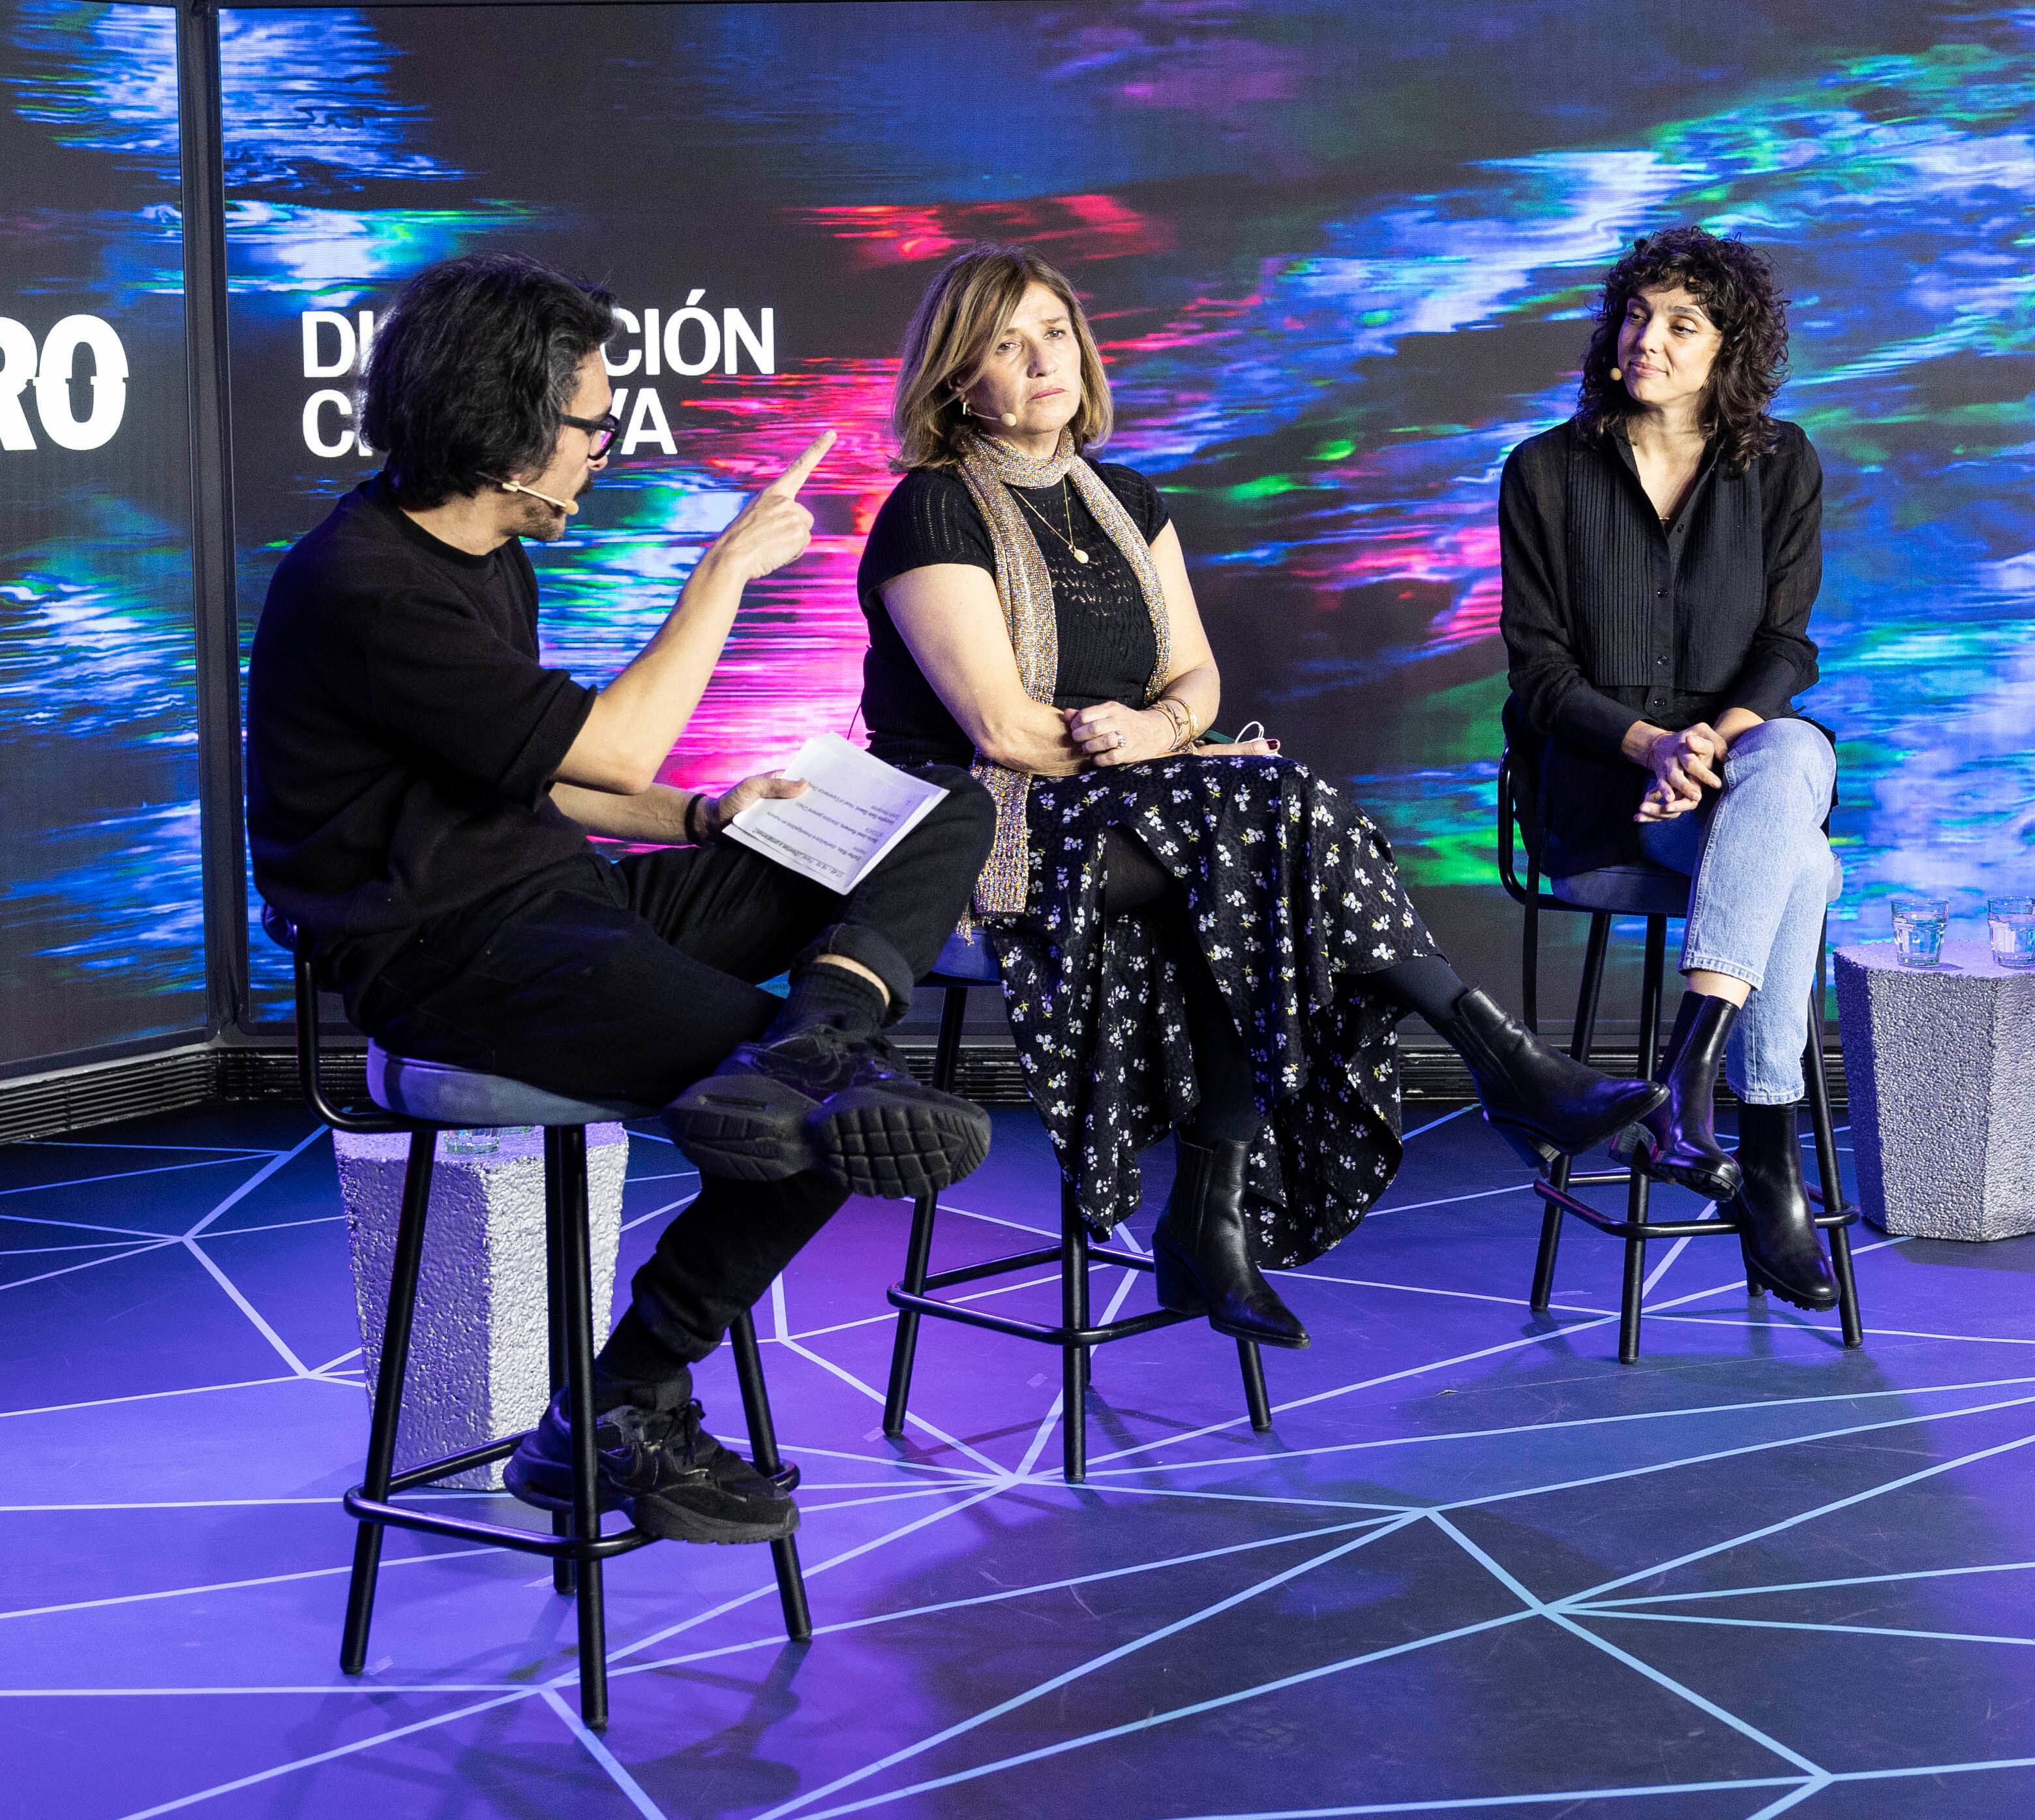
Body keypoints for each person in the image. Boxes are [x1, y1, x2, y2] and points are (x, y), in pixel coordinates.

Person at [246, 252, 998, 1545]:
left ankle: (821, 1029)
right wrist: (719, 577)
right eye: (592, 424)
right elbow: (612, 752)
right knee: (818, 1127)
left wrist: (706, 821)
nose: (607, 445)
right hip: (449, 959)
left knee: (937, 809)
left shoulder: (486, 549)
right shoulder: (365, 586)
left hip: (563, 899)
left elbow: (554, 777)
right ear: (504, 426)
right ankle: (619, 1396)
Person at [853, 243, 1661, 1349]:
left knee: (1252, 851)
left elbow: (1194, 677)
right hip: (985, 829)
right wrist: (1160, 753)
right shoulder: (929, 512)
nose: (1042, 357)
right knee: (1264, 824)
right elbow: (1001, 728)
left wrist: (1158, 730)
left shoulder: (1129, 499)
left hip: (1148, 810)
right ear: (958, 378)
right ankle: (1482, 1069)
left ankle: (1219, 1214)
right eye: (1005, 341)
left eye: (1053, 330)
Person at [1496, 226, 1843, 1312]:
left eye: (1681, 324)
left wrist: (1710, 741)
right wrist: (1650, 745)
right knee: (1810, 869)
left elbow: (1788, 646)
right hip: (1602, 790)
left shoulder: (1780, 464)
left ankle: (1688, 1072)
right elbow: (1539, 672)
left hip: (1734, 778)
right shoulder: (1544, 471)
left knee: (1788, 747)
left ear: (1725, 350)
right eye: (1638, 316)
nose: (1649, 338)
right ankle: (1767, 1159)